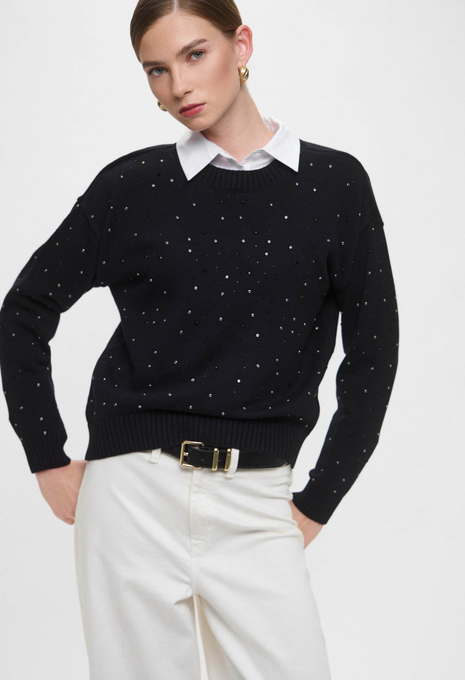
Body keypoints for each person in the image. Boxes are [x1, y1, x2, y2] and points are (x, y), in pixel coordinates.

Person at [0, 1, 400, 678]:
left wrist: (318, 501)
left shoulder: (334, 186)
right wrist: (46, 457)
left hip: (258, 500)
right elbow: (24, 311)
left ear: (240, 45)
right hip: (130, 497)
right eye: (155, 70)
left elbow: (372, 354)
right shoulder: (132, 186)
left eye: (194, 55)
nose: (178, 85)